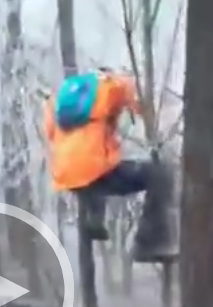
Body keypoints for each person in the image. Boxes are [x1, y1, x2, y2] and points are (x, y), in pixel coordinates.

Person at [43, 68, 175, 262]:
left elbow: (49, 131)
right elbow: (140, 104)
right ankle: (149, 243)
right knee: (159, 173)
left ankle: (94, 215)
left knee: (91, 174)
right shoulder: (112, 84)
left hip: (66, 172)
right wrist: (153, 119)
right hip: (95, 168)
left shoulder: (62, 96)